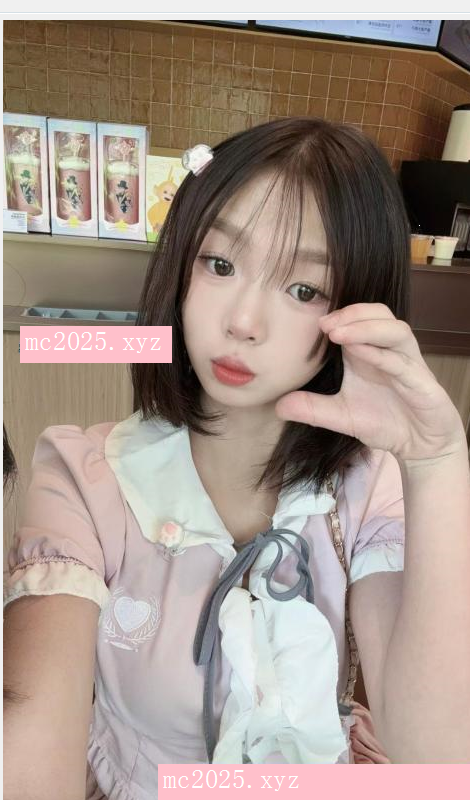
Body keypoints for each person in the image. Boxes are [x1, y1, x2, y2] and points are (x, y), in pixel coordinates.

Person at [3, 118, 470, 799]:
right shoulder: (82, 477)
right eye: (220, 265)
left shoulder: (370, 487)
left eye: (304, 290)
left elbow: (440, 759)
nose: (243, 322)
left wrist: (436, 461)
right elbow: (32, 719)